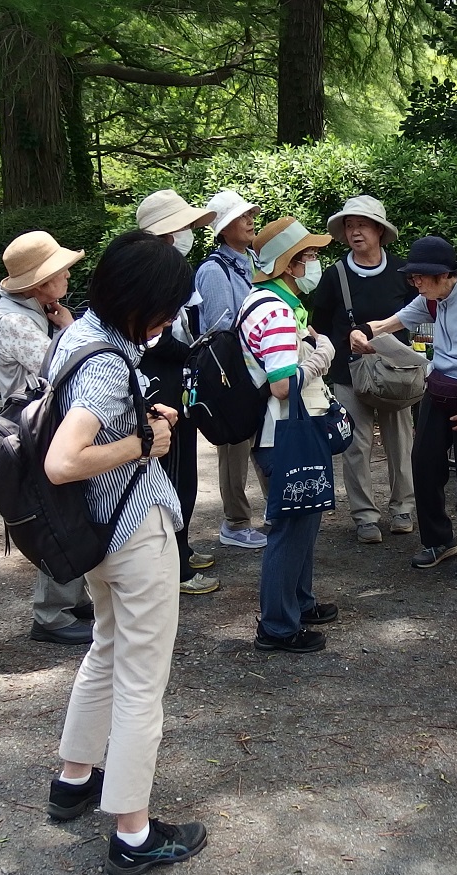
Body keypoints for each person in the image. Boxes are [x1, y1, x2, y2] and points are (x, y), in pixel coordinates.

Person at [44, 231, 207, 875]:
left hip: (97, 532)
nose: (168, 321)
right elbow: (63, 459)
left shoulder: (81, 335)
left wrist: (142, 411)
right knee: (141, 680)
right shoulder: (108, 360)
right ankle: (134, 834)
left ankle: (73, 777)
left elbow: (85, 418)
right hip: (134, 532)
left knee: (106, 652)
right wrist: (144, 443)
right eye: (165, 307)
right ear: (140, 301)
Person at [352, 237, 457, 578]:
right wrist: (361, 331)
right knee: (424, 465)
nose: (416, 282)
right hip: (439, 391)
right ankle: (440, 540)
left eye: (422, 276)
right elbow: (391, 322)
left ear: (444, 274)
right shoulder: (431, 300)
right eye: (413, 277)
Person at [0, 230, 95, 644]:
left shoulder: (32, 312)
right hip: (35, 433)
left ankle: (71, 595)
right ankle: (52, 613)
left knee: (72, 509)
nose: (68, 274)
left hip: (45, 428)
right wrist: (69, 328)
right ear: (40, 284)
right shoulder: (16, 321)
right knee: (59, 515)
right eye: (61, 270)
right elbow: (62, 367)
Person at [240, 216, 339, 652]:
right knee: (292, 526)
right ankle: (278, 625)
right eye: (310, 256)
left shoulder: (265, 301)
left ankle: (300, 601)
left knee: (304, 518)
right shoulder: (277, 309)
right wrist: (321, 355)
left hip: (277, 430)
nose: (315, 264)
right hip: (283, 432)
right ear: (289, 264)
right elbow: (282, 383)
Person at [312, 195, 417, 544]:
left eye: (362, 224)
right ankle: (365, 516)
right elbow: (318, 326)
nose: (355, 231)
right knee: (356, 446)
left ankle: (403, 508)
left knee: (400, 442)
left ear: (379, 230)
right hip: (347, 372)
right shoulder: (334, 275)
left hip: (395, 372)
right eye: (349, 225)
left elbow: (416, 318)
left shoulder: (403, 273)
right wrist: (346, 339)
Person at [135, 190, 221, 594]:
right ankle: (176, 566)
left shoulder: (162, 267)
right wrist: (193, 350)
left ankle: (180, 549)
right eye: (182, 225)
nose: (188, 232)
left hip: (171, 382)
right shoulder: (152, 272)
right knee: (171, 474)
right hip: (161, 386)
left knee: (180, 471)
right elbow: (153, 338)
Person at [195, 188, 270, 551]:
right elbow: (219, 328)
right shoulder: (214, 270)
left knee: (265, 441)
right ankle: (236, 522)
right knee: (235, 447)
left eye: (250, 214)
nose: (250, 220)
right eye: (242, 217)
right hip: (235, 374)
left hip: (263, 369)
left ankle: (274, 512)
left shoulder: (254, 261)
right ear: (224, 229)